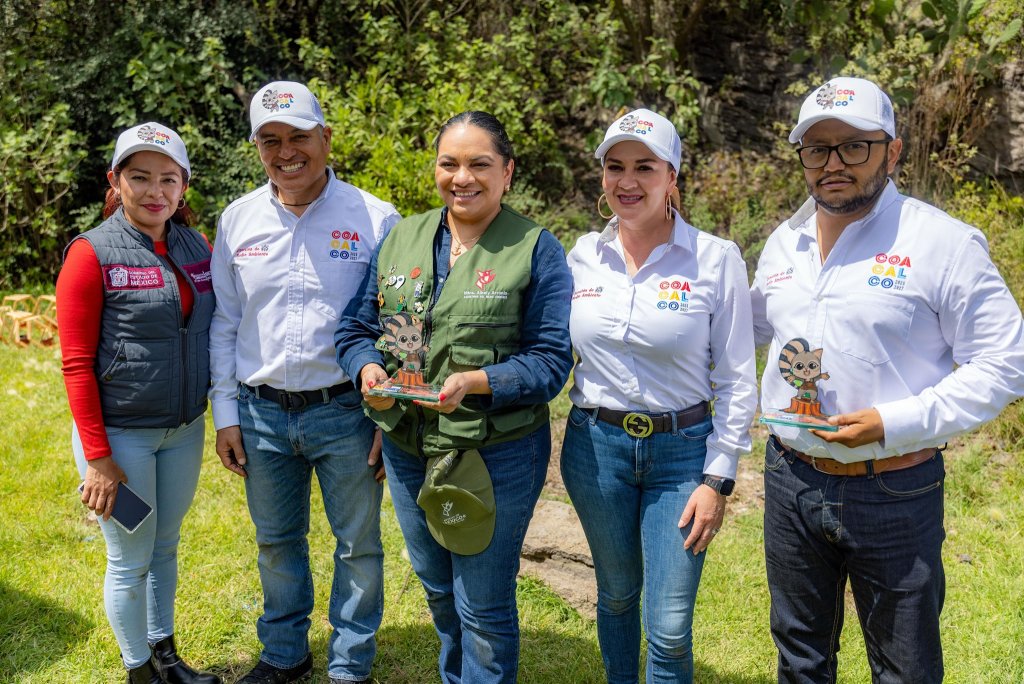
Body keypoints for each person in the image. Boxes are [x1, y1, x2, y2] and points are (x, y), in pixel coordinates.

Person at [751, 76, 1024, 683]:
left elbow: (1006, 360)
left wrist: (892, 423)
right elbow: (748, 328)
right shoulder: (784, 243)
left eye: (854, 146)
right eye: (817, 149)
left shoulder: (943, 244)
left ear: (892, 151)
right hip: (791, 477)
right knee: (799, 656)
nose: (833, 164)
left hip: (893, 487)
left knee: (906, 667)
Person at [335, 110, 573, 683]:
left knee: (482, 605)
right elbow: (355, 329)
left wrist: (476, 382)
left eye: (479, 164)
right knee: (439, 589)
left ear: (507, 172)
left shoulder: (536, 249)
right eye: (449, 163)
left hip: (496, 453)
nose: (462, 177)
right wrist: (369, 369)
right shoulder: (402, 238)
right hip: (408, 449)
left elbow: (550, 361)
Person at [209, 81, 401, 684]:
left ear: (326, 138)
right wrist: (226, 415)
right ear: (256, 147)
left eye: (298, 136)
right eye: (270, 140)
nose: (286, 152)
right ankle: (284, 655)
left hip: (347, 413)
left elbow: (399, 326)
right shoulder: (237, 220)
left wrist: (388, 416)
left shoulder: (376, 219)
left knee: (358, 545)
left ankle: (350, 664)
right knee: (276, 541)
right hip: (260, 414)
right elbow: (225, 322)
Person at [560, 108, 757, 683]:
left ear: (672, 176)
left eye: (645, 167)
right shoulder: (581, 256)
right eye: (615, 166)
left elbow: (737, 377)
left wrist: (718, 477)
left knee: (668, 626)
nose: (628, 181)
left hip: (682, 456)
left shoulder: (715, 258)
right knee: (617, 593)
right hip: (595, 450)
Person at [58, 123, 220, 684]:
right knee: (130, 558)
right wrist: (99, 458)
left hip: (182, 431)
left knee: (165, 546)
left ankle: (166, 659)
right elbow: (75, 364)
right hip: (120, 441)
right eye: (140, 177)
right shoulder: (91, 254)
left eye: (168, 179)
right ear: (115, 180)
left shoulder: (197, 246)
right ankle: (139, 673)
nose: (155, 191)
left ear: (184, 186)